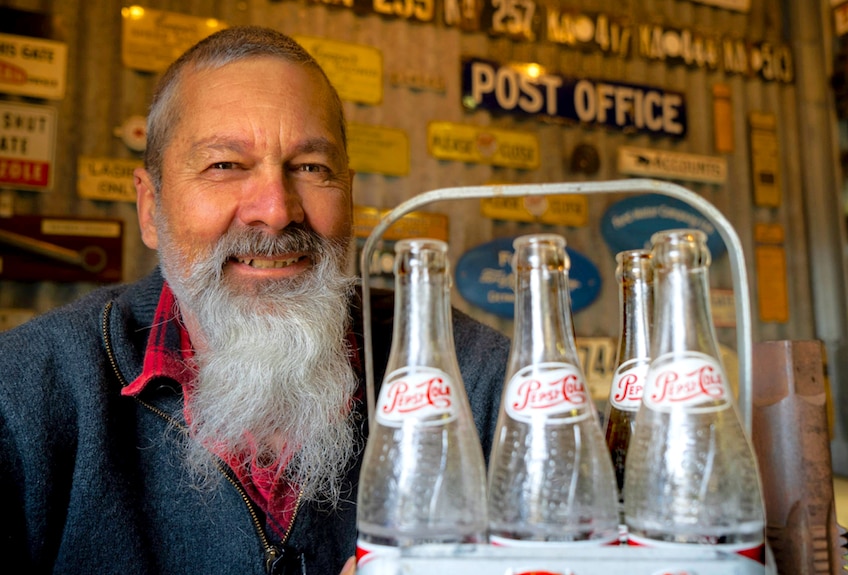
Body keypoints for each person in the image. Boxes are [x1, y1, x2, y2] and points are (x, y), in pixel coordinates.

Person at [0, 26, 510, 575]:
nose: (277, 209)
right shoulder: (25, 398)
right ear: (151, 208)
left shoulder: (474, 377)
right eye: (225, 166)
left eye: (312, 167)